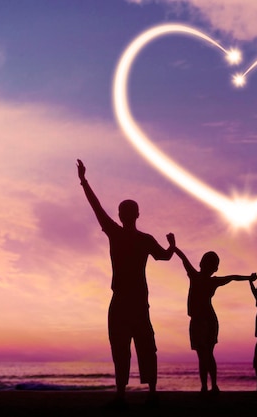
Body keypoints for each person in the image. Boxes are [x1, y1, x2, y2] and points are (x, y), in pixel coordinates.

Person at [77, 159, 175, 408]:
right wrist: (173, 245)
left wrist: (84, 180)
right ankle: (147, 392)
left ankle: (125, 394)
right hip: (133, 301)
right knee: (142, 347)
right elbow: (164, 256)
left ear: (123, 215)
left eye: (123, 212)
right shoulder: (141, 238)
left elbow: (96, 207)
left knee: (126, 349)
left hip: (124, 301)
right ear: (136, 215)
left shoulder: (119, 233)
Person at [172, 243, 256, 394]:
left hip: (203, 321)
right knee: (206, 355)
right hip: (205, 320)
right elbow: (232, 277)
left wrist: (174, 246)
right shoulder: (203, 278)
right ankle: (208, 386)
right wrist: (248, 278)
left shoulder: (199, 277)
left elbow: (232, 277)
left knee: (205, 355)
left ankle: (210, 386)